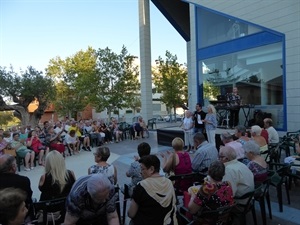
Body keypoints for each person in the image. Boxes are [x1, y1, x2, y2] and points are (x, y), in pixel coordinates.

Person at [128, 155, 178, 225]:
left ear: (151, 169)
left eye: (142, 169)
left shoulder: (141, 186)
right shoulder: (169, 182)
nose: (141, 172)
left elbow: (131, 214)